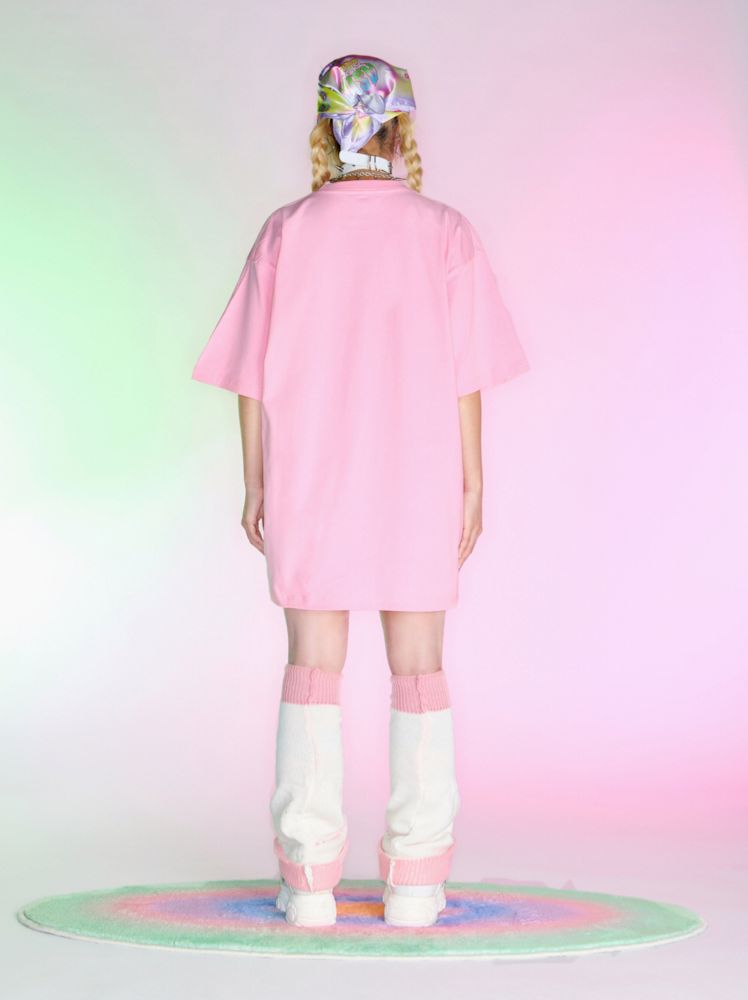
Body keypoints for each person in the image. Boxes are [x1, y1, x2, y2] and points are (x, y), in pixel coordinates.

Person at [191, 54, 530, 930]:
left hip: (312, 474)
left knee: (313, 666)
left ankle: (308, 880)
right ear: (401, 127)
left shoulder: (287, 232)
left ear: (325, 126)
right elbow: (467, 374)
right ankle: (416, 880)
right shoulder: (444, 231)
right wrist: (473, 479)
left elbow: (251, 375)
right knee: (420, 671)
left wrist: (256, 479)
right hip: (419, 475)